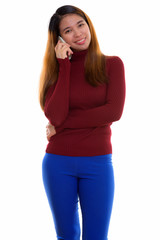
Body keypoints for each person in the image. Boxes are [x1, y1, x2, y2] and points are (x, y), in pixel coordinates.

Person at [39, 5, 126, 240]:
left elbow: (113, 112)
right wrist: (64, 66)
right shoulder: (55, 72)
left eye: (80, 25)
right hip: (58, 163)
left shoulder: (112, 64)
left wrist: (63, 126)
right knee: (67, 236)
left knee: (96, 237)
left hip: (97, 164)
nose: (77, 34)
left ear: (89, 25)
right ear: (59, 39)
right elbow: (55, 117)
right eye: (67, 31)